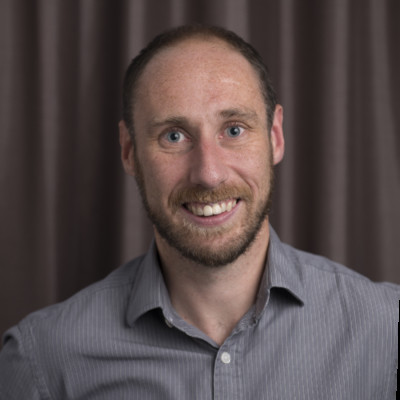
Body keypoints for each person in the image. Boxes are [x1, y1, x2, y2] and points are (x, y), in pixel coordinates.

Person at [0, 24, 398, 400]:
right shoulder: (42, 361)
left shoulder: (387, 332)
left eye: (234, 129)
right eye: (174, 136)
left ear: (275, 137)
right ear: (129, 151)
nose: (208, 174)